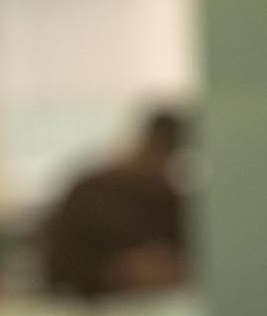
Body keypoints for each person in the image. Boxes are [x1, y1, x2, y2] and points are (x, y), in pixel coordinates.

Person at [41, 109, 190, 299]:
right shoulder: (90, 194)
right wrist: (118, 272)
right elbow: (57, 269)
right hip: (99, 313)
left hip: (165, 307)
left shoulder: (171, 199)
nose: (161, 165)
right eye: (160, 152)